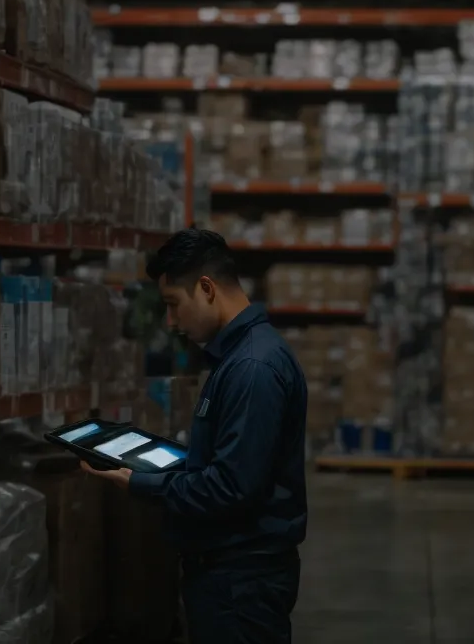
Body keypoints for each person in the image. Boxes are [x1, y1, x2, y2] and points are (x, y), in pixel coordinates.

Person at [84, 228, 308, 644]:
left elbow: (231, 488)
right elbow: (229, 464)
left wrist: (142, 482)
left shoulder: (253, 368)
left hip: (241, 580)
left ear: (206, 288)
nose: (171, 322)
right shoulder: (239, 358)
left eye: (173, 305)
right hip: (230, 574)